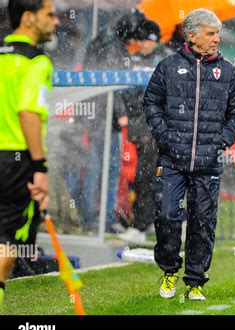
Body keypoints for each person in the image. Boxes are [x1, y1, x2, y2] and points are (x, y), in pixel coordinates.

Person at [143, 9, 235, 301]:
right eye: (211, 33)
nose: (217, 39)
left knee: (203, 223)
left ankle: (195, 283)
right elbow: (151, 102)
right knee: (166, 215)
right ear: (191, 35)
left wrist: (220, 142)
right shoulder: (167, 66)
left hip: (208, 163)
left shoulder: (227, 71)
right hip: (171, 160)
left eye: (218, 33)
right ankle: (168, 272)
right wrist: (165, 137)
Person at [0, 0, 59, 313]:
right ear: (27, 18)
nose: (56, 21)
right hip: (13, 161)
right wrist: (39, 167)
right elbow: (28, 113)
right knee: (6, 242)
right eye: (48, 14)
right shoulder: (37, 61)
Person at [81, 9, 157, 233]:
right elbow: (114, 86)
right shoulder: (114, 50)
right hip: (105, 118)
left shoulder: (102, 43)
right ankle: (101, 220)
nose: (137, 44)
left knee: (99, 167)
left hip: (96, 116)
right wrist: (121, 113)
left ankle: (95, 219)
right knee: (107, 168)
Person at [118, 20, 174, 243]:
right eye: (138, 40)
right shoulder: (133, 61)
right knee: (146, 177)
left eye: (144, 40)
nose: (140, 45)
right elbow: (128, 95)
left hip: (159, 129)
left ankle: (143, 225)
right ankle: (149, 221)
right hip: (143, 129)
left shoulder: (167, 60)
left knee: (152, 177)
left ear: (153, 40)